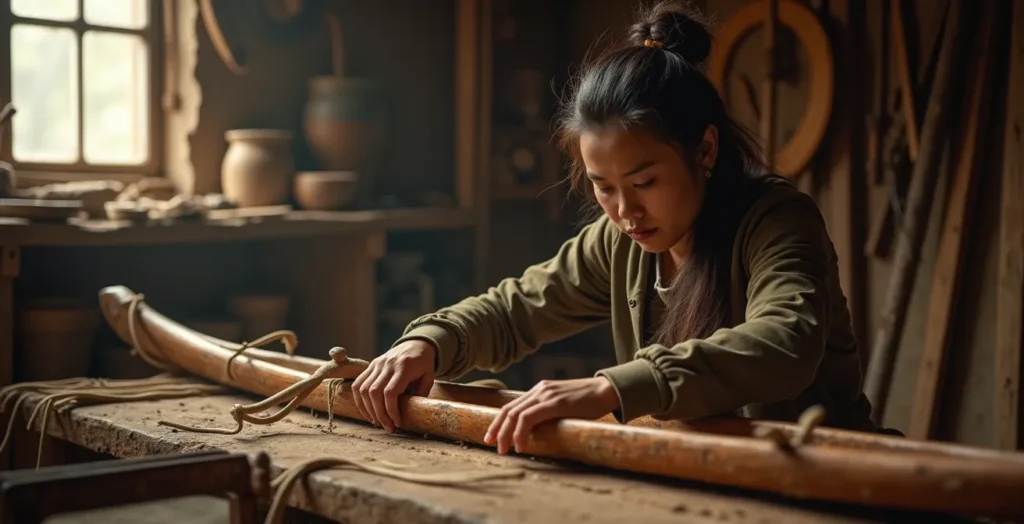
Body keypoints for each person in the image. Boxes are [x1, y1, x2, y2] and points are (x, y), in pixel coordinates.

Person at [352, 0, 878, 454]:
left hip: (820, 482)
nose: (625, 211)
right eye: (604, 186)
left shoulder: (777, 221)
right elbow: (517, 310)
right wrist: (431, 341)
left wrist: (612, 388)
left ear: (706, 150)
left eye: (645, 182)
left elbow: (784, 343)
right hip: (687, 475)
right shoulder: (618, 241)